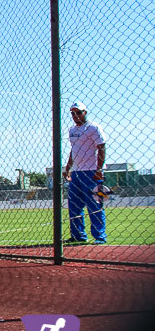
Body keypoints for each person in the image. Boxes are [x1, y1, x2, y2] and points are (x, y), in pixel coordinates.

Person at [62, 102, 106, 245]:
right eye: (73, 113)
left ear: (85, 112)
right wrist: (68, 168)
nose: (75, 116)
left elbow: (101, 148)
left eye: (78, 112)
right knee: (74, 205)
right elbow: (73, 151)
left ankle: (100, 236)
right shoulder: (71, 130)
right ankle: (78, 235)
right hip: (77, 172)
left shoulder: (94, 127)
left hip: (92, 172)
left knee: (95, 204)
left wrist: (99, 170)